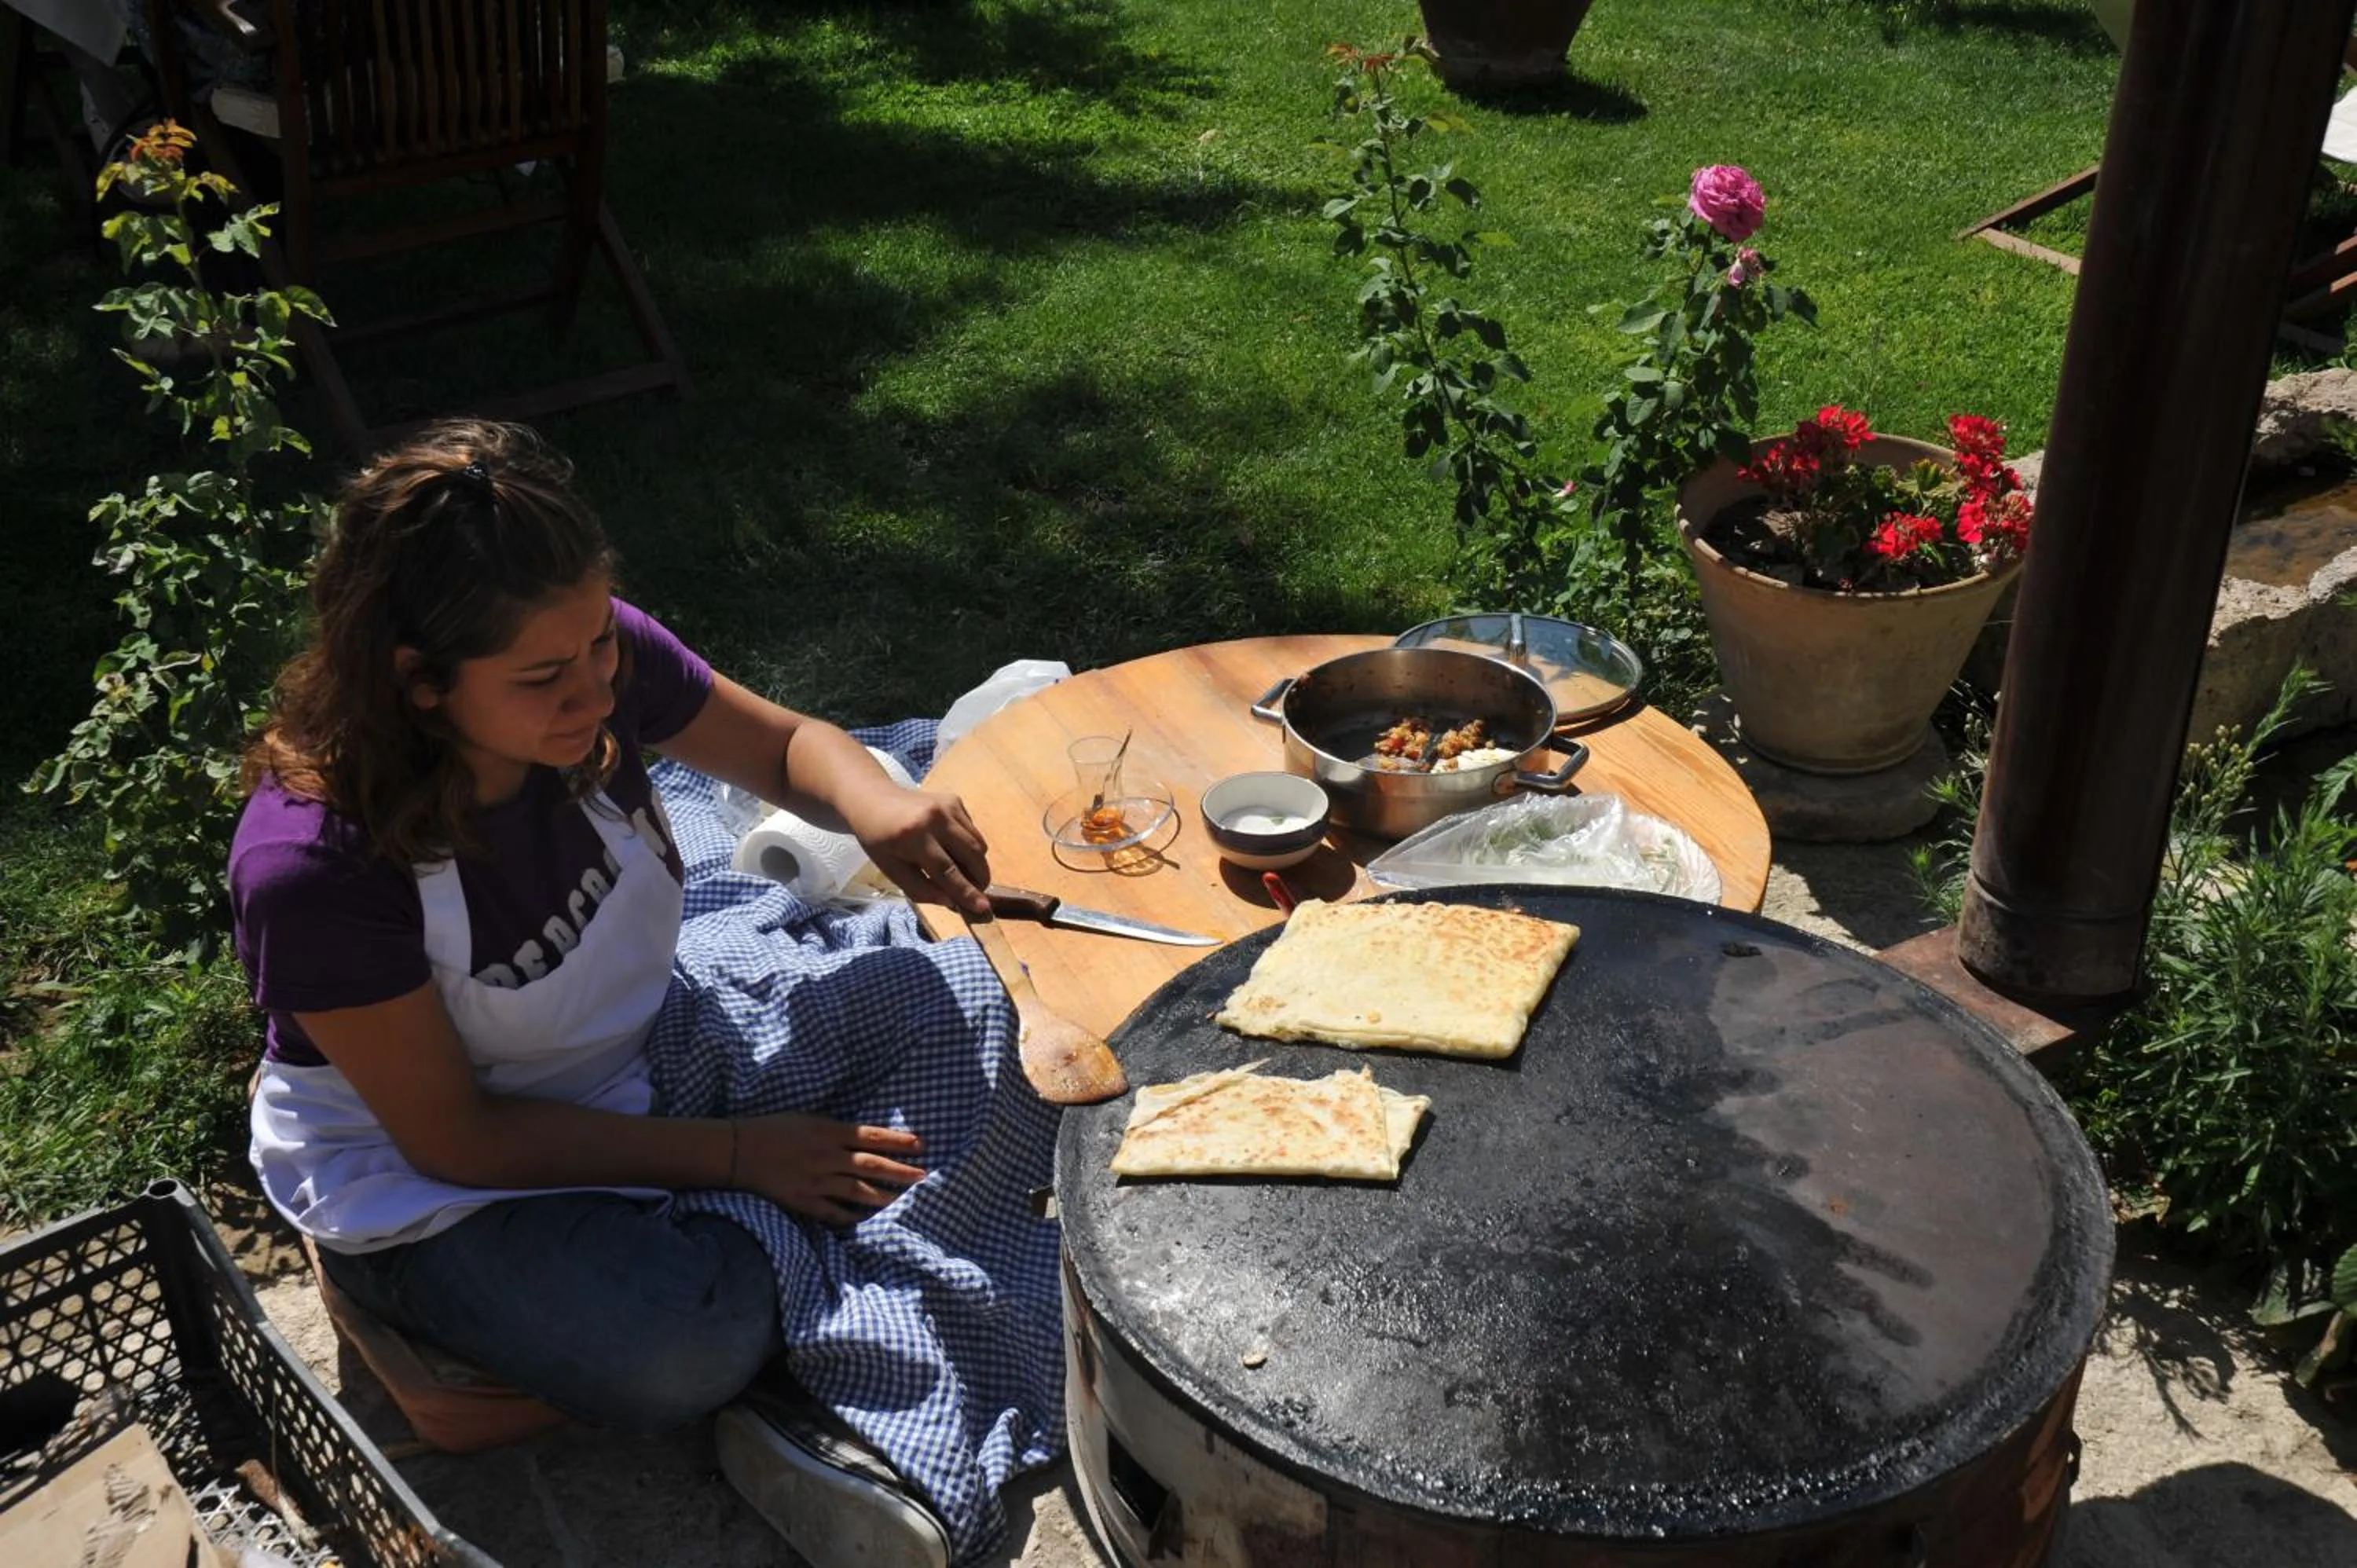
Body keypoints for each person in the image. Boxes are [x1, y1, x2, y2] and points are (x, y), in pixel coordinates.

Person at [230, 419, 1059, 1568]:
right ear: (417, 681)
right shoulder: (316, 869)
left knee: (978, 994)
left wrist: (875, 804)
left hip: (649, 1046)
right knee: (676, 1347)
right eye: (543, 679)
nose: (592, 695)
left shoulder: (587, 657)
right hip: (443, 1178)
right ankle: (399, 1299)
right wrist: (740, 1155)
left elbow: (784, 750)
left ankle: (800, 1291)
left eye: (600, 655)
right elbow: (461, 1139)